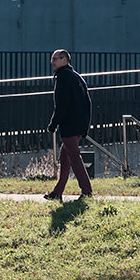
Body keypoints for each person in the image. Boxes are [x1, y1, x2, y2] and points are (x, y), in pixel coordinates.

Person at [44, 48, 92, 201]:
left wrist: (53, 124)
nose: (52, 62)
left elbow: (62, 104)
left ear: (64, 59)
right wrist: (86, 126)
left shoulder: (62, 77)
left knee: (75, 158)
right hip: (80, 124)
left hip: (70, 125)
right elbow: (88, 102)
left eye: (55, 59)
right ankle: (57, 192)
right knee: (65, 157)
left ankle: (87, 191)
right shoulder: (76, 76)